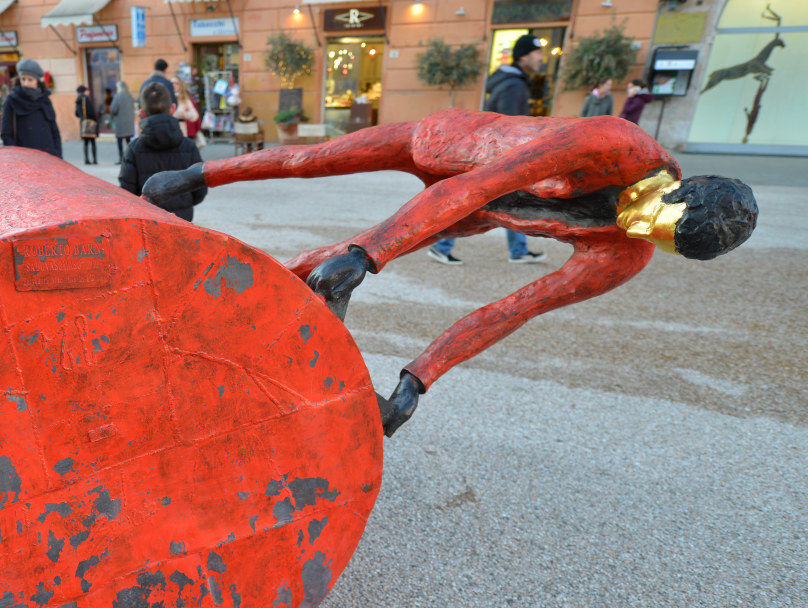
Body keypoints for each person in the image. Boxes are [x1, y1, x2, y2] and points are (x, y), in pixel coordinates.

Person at [142, 109, 757, 436]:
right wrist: (372, 255)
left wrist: (416, 383)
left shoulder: (627, 253)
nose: (641, 233)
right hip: (449, 146)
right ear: (677, 192)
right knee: (312, 160)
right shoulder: (612, 143)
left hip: (477, 212)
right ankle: (193, 178)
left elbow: (513, 310)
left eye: (663, 245)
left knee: (328, 265)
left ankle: (212, 301)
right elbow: (477, 182)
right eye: (657, 221)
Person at [428, 33, 547, 266]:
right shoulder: (513, 86)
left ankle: (518, 250)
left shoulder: (513, 82)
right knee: (482, 203)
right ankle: (441, 245)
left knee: (512, 203)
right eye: (537, 54)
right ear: (523, 56)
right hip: (498, 158)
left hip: (493, 155)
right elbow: (509, 127)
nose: (541, 59)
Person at [119, 82, 205, 222]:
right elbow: (200, 190)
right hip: (182, 221)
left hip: (147, 222)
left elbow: (126, 193)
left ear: (142, 113)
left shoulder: (134, 149)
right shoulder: (189, 147)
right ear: (172, 109)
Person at [0, 59, 61, 158]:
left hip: (49, 158)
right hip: (26, 160)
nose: (26, 83)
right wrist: (18, 157)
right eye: (23, 79)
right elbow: (6, 134)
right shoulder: (11, 100)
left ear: (37, 81)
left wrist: (58, 155)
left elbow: (54, 132)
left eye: (30, 79)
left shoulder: (45, 100)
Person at [108, 80, 135, 164]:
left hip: (120, 122)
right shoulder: (130, 96)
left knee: (119, 141)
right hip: (129, 122)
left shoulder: (118, 96)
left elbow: (113, 109)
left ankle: (121, 158)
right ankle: (132, 158)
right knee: (129, 141)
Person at [75, 85, 98, 164]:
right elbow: (91, 112)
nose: (89, 92)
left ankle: (86, 159)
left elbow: (76, 114)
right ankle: (94, 160)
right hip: (90, 123)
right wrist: (96, 120)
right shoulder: (86, 99)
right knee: (92, 141)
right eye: (87, 90)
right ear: (84, 91)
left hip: (83, 123)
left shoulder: (78, 100)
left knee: (85, 142)